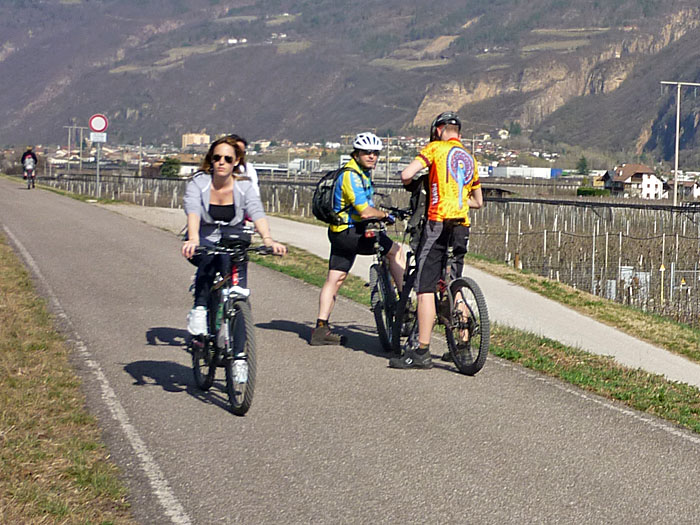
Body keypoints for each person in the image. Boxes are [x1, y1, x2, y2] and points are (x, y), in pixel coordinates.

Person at [389, 111, 483, 369]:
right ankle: (462, 348)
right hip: (461, 226)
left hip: (438, 224)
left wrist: (425, 180)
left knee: (425, 288)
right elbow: (478, 201)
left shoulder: (435, 149)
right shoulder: (469, 158)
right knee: (453, 283)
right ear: (459, 134)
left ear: (438, 130)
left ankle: (421, 351)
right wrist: (459, 199)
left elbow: (406, 175)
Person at [182, 136, 286, 335]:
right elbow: (193, 210)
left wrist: (267, 239)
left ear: (236, 161)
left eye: (228, 159)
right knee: (210, 258)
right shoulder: (199, 183)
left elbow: (256, 211)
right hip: (204, 240)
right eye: (217, 158)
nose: (222, 162)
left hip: (233, 240)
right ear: (211, 159)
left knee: (238, 289)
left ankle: (238, 354)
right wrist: (193, 239)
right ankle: (200, 309)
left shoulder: (244, 186)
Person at [310, 132, 406, 346]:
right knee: (396, 251)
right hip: (352, 233)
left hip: (339, 232)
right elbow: (364, 211)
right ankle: (405, 304)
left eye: (375, 153)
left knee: (335, 278)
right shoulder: (351, 176)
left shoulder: (359, 172)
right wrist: (385, 215)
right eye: (367, 153)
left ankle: (320, 328)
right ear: (356, 153)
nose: (371, 156)